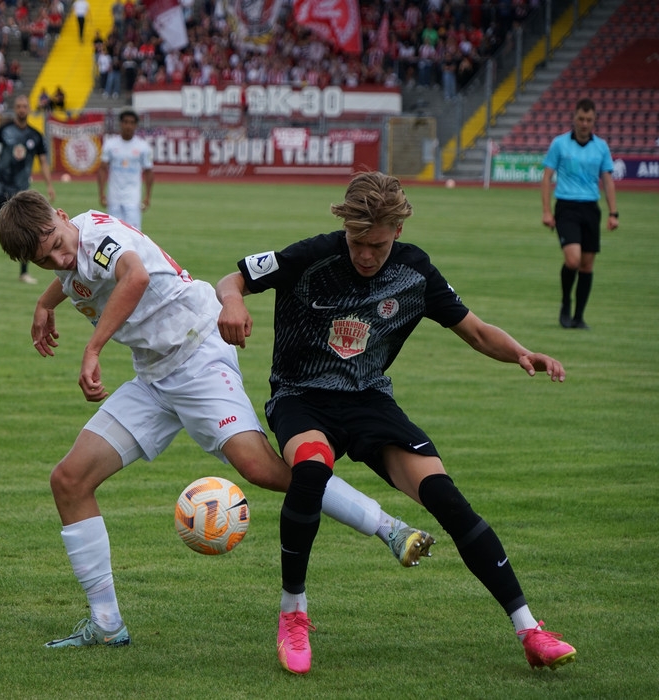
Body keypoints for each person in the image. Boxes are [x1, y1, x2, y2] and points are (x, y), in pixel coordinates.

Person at [0, 188, 435, 650]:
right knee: (69, 480)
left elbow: (134, 277)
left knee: (263, 470)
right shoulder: (70, 246)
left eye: (58, 244)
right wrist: (46, 303)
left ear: (63, 216)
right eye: (45, 260)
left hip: (197, 353)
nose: (60, 259)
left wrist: (93, 347)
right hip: (155, 375)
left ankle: (392, 529)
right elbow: (75, 274)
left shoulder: (99, 237)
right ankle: (106, 624)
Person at [216, 171, 577, 675]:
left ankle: (531, 630)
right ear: (345, 230)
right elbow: (232, 279)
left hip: (369, 402)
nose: (366, 254)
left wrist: (520, 352)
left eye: (378, 245)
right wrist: (233, 300)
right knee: (312, 469)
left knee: (447, 499)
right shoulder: (312, 255)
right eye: (358, 242)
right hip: (302, 398)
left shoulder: (414, 272)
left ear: (397, 234)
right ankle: (293, 615)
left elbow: (472, 329)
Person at [540, 98, 618, 330]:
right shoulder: (560, 144)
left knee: (586, 265)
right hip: (566, 207)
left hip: (590, 208)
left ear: (594, 121)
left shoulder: (601, 147)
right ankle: (566, 303)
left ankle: (579, 317)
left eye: (589, 120)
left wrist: (614, 213)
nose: (584, 123)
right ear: (574, 118)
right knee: (572, 260)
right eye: (581, 119)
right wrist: (546, 211)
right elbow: (546, 177)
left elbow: (607, 180)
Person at [0, 94, 55, 285]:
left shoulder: (35, 136)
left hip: (22, 191)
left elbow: (44, 162)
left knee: (26, 230)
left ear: (29, 109)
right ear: (15, 108)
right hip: (1, 186)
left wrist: (49, 185)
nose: (22, 109)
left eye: (24, 106)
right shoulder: (3, 131)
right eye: (19, 106)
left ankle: (24, 272)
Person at [97, 107, 153, 231]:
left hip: (133, 198)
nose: (128, 126)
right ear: (121, 124)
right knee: (114, 233)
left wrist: (147, 196)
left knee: (134, 233)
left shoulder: (143, 146)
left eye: (132, 123)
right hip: (114, 197)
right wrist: (101, 193)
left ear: (136, 125)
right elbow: (102, 169)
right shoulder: (110, 144)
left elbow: (148, 172)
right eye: (126, 122)